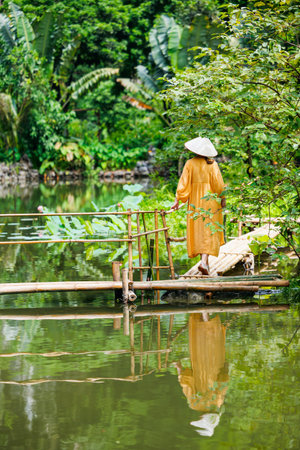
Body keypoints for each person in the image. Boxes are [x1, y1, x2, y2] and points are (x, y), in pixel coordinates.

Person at [171, 137, 225, 275]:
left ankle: (204, 263)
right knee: (209, 230)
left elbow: (183, 184)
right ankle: (204, 263)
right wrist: (222, 198)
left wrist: (178, 199)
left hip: (195, 202)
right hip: (211, 201)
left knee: (199, 231)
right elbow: (219, 185)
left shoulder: (190, 163)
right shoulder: (212, 164)